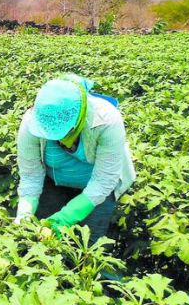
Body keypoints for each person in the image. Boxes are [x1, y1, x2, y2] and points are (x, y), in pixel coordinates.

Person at [14, 75, 136, 246]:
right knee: (40, 241)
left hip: (98, 188)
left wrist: (66, 217)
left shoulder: (107, 120)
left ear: (79, 119)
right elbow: (30, 175)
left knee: (91, 245)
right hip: (55, 184)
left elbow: (104, 180)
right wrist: (24, 215)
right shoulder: (31, 124)